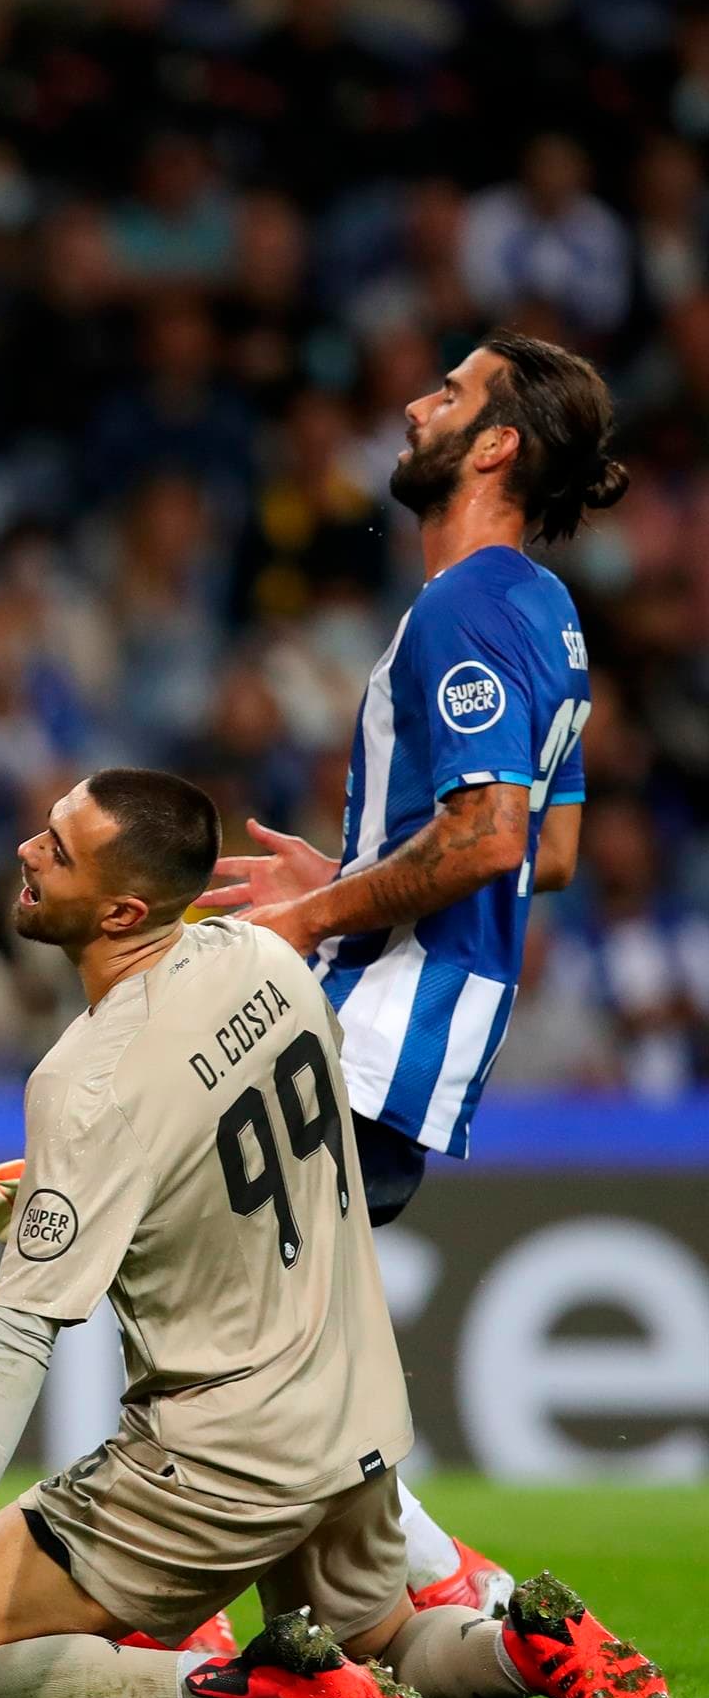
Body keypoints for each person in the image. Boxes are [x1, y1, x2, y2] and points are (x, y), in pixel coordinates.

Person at [0, 769, 669, 1698]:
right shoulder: (260, 961)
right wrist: (61, 1181)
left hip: (221, 1458)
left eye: (57, 848)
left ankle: (237, 1686)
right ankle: (523, 1646)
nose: (27, 848)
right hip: (353, 1412)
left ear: (122, 909)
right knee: (381, 1639)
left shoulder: (83, 1083)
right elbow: (211, 1134)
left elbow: (20, 1332)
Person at [198, 332, 624, 1616]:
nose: (412, 401)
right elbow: (549, 851)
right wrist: (352, 870)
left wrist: (317, 909)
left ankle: (453, 1595)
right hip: (422, 1030)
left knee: (224, 1322)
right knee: (266, 1339)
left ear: (494, 443)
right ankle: (406, 1611)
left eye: (447, 392)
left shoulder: (464, 606)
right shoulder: (545, 613)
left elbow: (492, 838)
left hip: (376, 1029)